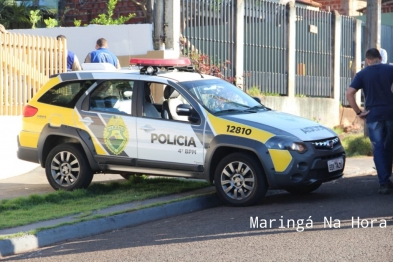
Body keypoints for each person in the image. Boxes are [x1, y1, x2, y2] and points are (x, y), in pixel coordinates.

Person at [346, 48, 393, 195]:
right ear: (380, 57)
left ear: (367, 60)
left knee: (378, 149)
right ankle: (387, 178)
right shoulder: (390, 69)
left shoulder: (362, 74)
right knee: (389, 147)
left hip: (373, 116)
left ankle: (384, 183)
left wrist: (359, 112)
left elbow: (349, 93)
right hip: (391, 113)